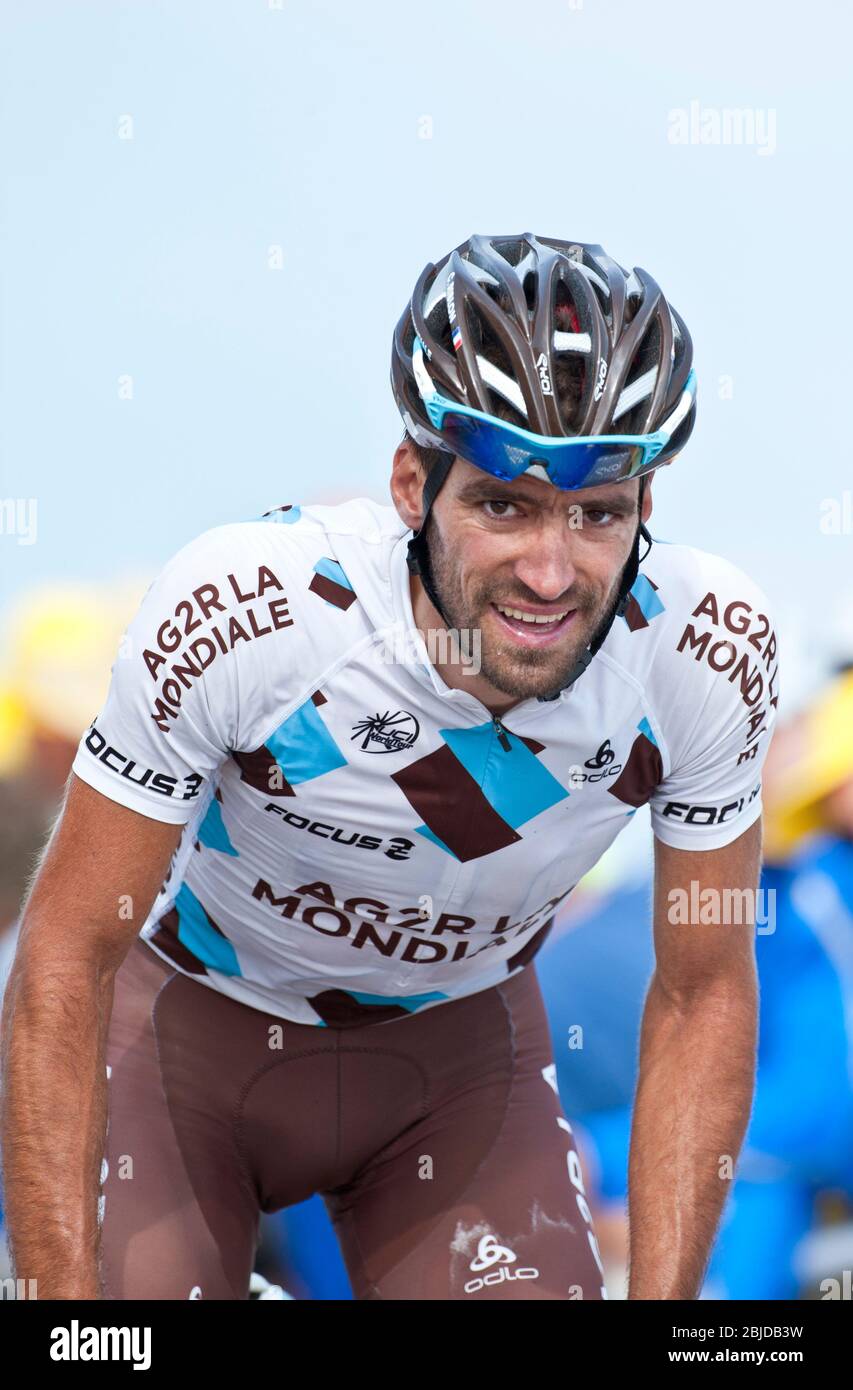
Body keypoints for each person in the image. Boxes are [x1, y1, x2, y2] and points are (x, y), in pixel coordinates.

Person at [1, 233, 779, 1300]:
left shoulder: (702, 654)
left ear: (647, 509)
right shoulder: (252, 613)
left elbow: (702, 993)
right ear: (413, 485)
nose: (550, 570)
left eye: (597, 512)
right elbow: (65, 952)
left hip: (454, 1072)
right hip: (184, 1039)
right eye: (502, 503)